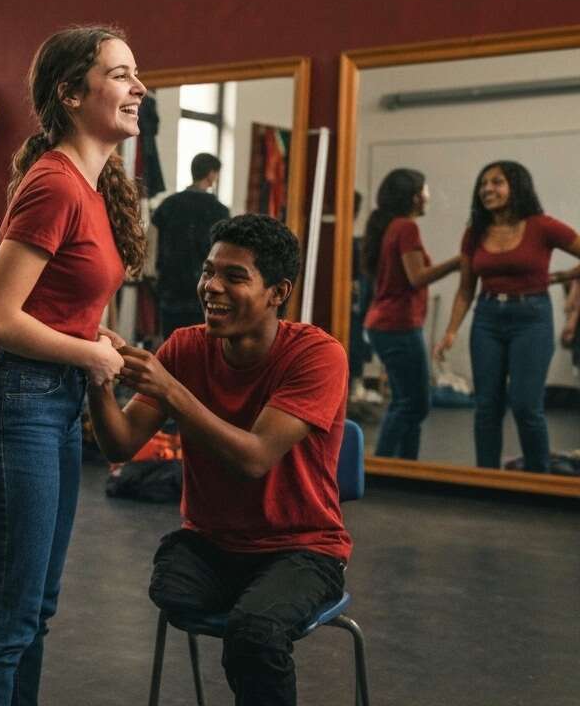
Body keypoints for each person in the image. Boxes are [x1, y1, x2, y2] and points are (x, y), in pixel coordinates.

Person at [0, 24, 145, 706]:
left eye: (133, 73)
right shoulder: (56, 183)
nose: (137, 87)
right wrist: (91, 352)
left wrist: (101, 340)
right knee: (5, 620)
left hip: (49, 401)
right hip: (12, 403)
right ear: (70, 93)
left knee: (32, 613)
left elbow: (56, 303)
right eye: (120, 74)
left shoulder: (93, 185)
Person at [90, 214, 351, 706]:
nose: (212, 287)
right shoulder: (185, 346)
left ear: (278, 292)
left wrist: (172, 390)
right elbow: (120, 445)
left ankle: (262, 604)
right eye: (209, 272)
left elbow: (254, 458)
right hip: (214, 541)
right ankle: (260, 599)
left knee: (253, 633)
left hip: (302, 547)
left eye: (235, 277)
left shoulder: (317, 356)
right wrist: (97, 374)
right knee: (174, 591)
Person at [434, 161, 580, 472]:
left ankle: (540, 481)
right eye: (483, 184)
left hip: (532, 317)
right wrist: (450, 331)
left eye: (497, 182)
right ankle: (488, 478)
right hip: (487, 317)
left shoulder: (542, 226)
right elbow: (464, 290)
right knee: (487, 407)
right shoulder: (475, 233)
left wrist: (567, 275)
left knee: (527, 405)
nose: (488, 189)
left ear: (517, 186)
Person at [361, 169, 460, 459]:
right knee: (415, 405)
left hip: (388, 324)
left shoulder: (392, 226)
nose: (429, 195)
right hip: (398, 326)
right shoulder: (406, 227)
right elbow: (417, 277)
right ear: (416, 196)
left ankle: (406, 467)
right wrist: (459, 262)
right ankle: (383, 466)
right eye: (426, 190)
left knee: (404, 402)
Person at [152, 151, 229, 338]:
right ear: (211, 174)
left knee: (171, 345)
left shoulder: (168, 205)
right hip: (203, 291)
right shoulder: (219, 211)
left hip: (170, 287)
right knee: (199, 347)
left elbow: (153, 243)